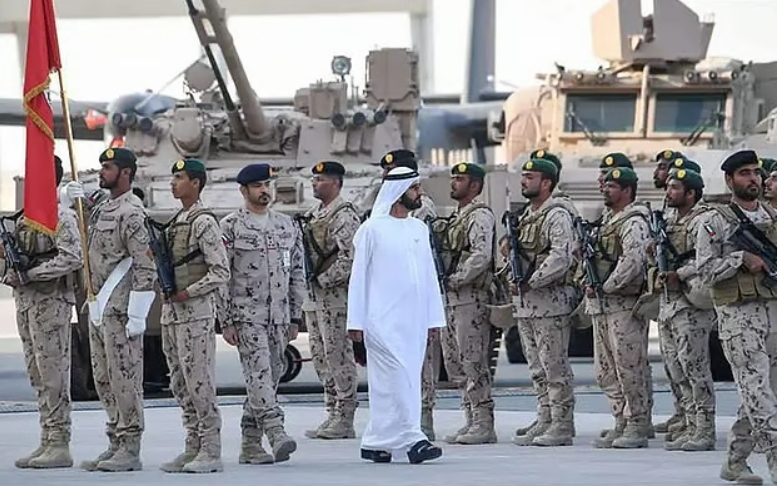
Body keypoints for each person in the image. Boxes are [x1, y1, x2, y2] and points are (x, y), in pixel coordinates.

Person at [346, 166, 445, 464]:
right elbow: (358, 278)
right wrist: (355, 322)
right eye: (415, 188)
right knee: (400, 378)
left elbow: (428, 275)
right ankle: (414, 440)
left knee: (399, 382)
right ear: (398, 192)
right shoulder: (372, 229)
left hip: (413, 321)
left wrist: (433, 318)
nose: (420, 193)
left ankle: (376, 441)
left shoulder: (418, 229)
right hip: (381, 320)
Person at [696, 150, 776, 485]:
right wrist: (739, 258)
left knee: (764, 393)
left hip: (772, 313)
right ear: (730, 180)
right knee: (758, 391)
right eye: (744, 173)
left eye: (756, 172)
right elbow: (704, 272)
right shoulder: (714, 221)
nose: (753, 178)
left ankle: (735, 460)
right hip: (738, 317)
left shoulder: (773, 217)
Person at [79, 147, 158, 472]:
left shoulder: (132, 212)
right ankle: (114, 441)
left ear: (125, 173)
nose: (102, 172)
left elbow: (145, 265)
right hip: (100, 306)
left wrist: (138, 312)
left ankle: (130, 447)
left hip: (122, 310)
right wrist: (71, 199)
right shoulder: (103, 207)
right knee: (104, 379)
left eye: (108, 167)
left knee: (125, 379)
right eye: (101, 166)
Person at [220, 163, 304, 464]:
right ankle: (275, 431)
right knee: (258, 374)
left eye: (267, 185)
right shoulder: (231, 226)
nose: (264, 190)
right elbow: (222, 276)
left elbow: (297, 271)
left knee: (269, 379)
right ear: (244, 191)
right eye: (257, 186)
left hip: (279, 316)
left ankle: (250, 445)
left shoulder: (286, 225)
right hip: (247, 316)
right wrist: (226, 320)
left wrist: (295, 316)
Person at [7, 155, 83, 469]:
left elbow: (73, 257)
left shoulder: (60, 217)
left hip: (51, 304)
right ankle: (47, 438)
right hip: (27, 304)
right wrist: (10, 271)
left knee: (54, 376)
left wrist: (32, 274)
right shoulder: (24, 219)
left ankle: (60, 443)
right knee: (37, 374)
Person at [156, 159, 230, 473]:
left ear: (196, 183)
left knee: (199, 383)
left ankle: (211, 450)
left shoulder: (203, 222)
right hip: (172, 315)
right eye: (173, 177)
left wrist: (189, 292)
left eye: (180, 177)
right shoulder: (177, 221)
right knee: (179, 383)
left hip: (195, 315)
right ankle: (193, 445)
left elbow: (220, 271)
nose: (173, 183)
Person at [507, 158, 577, 447]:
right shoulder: (526, 215)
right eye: (523, 176)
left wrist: (531, 281)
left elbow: (562, 256)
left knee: (554, 367)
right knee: (537, 368)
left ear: (546, 182)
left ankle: (562, 424)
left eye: (530, 176)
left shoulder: (556, 215)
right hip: (527, 304)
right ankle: (546, 417)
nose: (523, 181)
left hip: (550, 303)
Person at [648, 168, 717, 452]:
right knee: (677, 370)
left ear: (691, 193)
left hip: (692, 304)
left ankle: (704, 429)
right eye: (668, 187)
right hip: (669, 304)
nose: (668, 192)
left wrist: (680, 274)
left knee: (695, 368)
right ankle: (689, 424)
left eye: (675, 187)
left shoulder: (704, 220)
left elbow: (706, 260)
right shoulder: (669, 221)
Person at [377, 149, 444, 441]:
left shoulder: (420, 209)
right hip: (391, 300)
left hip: (415, 297)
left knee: (420, 363)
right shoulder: (384, 206)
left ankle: (423, 417)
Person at [586, 167, 652, 449]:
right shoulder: (606, 221)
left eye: (612, 186)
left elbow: (632, 262)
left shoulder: (634, 222)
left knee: (629, 367)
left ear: (627, 190)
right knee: (605, 370)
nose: (605, 189)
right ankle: (621, 420)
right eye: (605, 185)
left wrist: (606, 286)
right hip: (602, 306)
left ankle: (637, 422)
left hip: (624, 305)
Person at [436, 162, 497, 445]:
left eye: (459, 179)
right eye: (453, 178)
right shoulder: (457, 216)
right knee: (456, 363)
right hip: (452, 299)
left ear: (474, 185)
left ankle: (483, 423)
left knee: (473, 362)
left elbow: (481, 255)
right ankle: (471, 418)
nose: (453, 183)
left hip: (470, 298)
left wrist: (457, 278)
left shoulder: (479, 215)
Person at [301, 160, 361, 440]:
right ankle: (332, 411)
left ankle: (345, 416)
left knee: (338, 355)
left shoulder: (344, 214)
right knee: (321, 355)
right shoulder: (313, 215)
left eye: (321, 179)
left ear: (336, 183)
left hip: (335, 296)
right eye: (314, 179)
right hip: (314, 298)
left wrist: (324, 280)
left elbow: (350, 258)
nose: (315, 183)